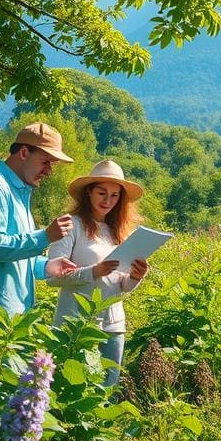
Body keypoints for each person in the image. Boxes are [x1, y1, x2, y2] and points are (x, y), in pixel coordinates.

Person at [0, 122, 79, 324]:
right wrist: (45, 237)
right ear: (24, 153)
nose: (49, 171)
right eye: (46, 162)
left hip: (12, 318)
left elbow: (14, 256)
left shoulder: (18, 191)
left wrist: (47, 266)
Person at [46, 160, 149, 386]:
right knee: (68, 390)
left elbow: (121, 284)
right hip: (73, 326)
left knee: (107, 390)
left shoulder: (120, 231)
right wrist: (93, 271)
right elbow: (52, 277)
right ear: (89, 192)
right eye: (102, 192)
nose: (107, 200)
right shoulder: (70, 225)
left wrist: (135, 277)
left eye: (114, 196)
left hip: (112, 326)